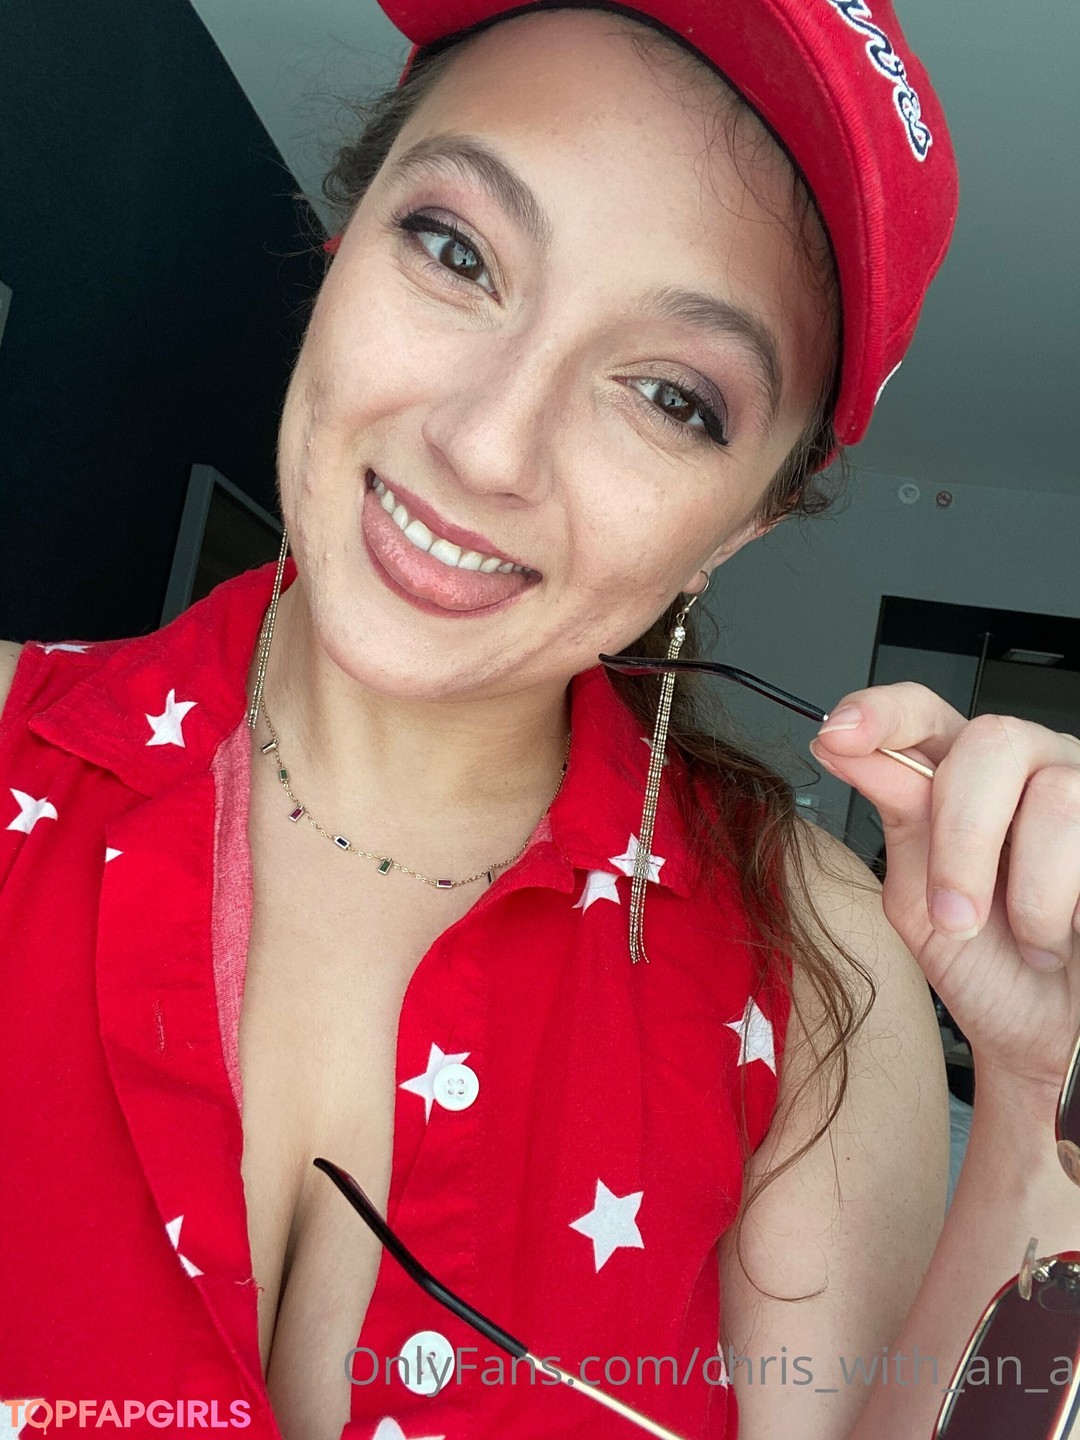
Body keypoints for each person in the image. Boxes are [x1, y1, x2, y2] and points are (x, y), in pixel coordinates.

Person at [2, 3, 1078, 1439]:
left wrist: (1038, 1105)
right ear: (345, 242)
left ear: (738, 529)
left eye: (671, 396)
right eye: (456, 252)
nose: (486, 445)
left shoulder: (822, 972)